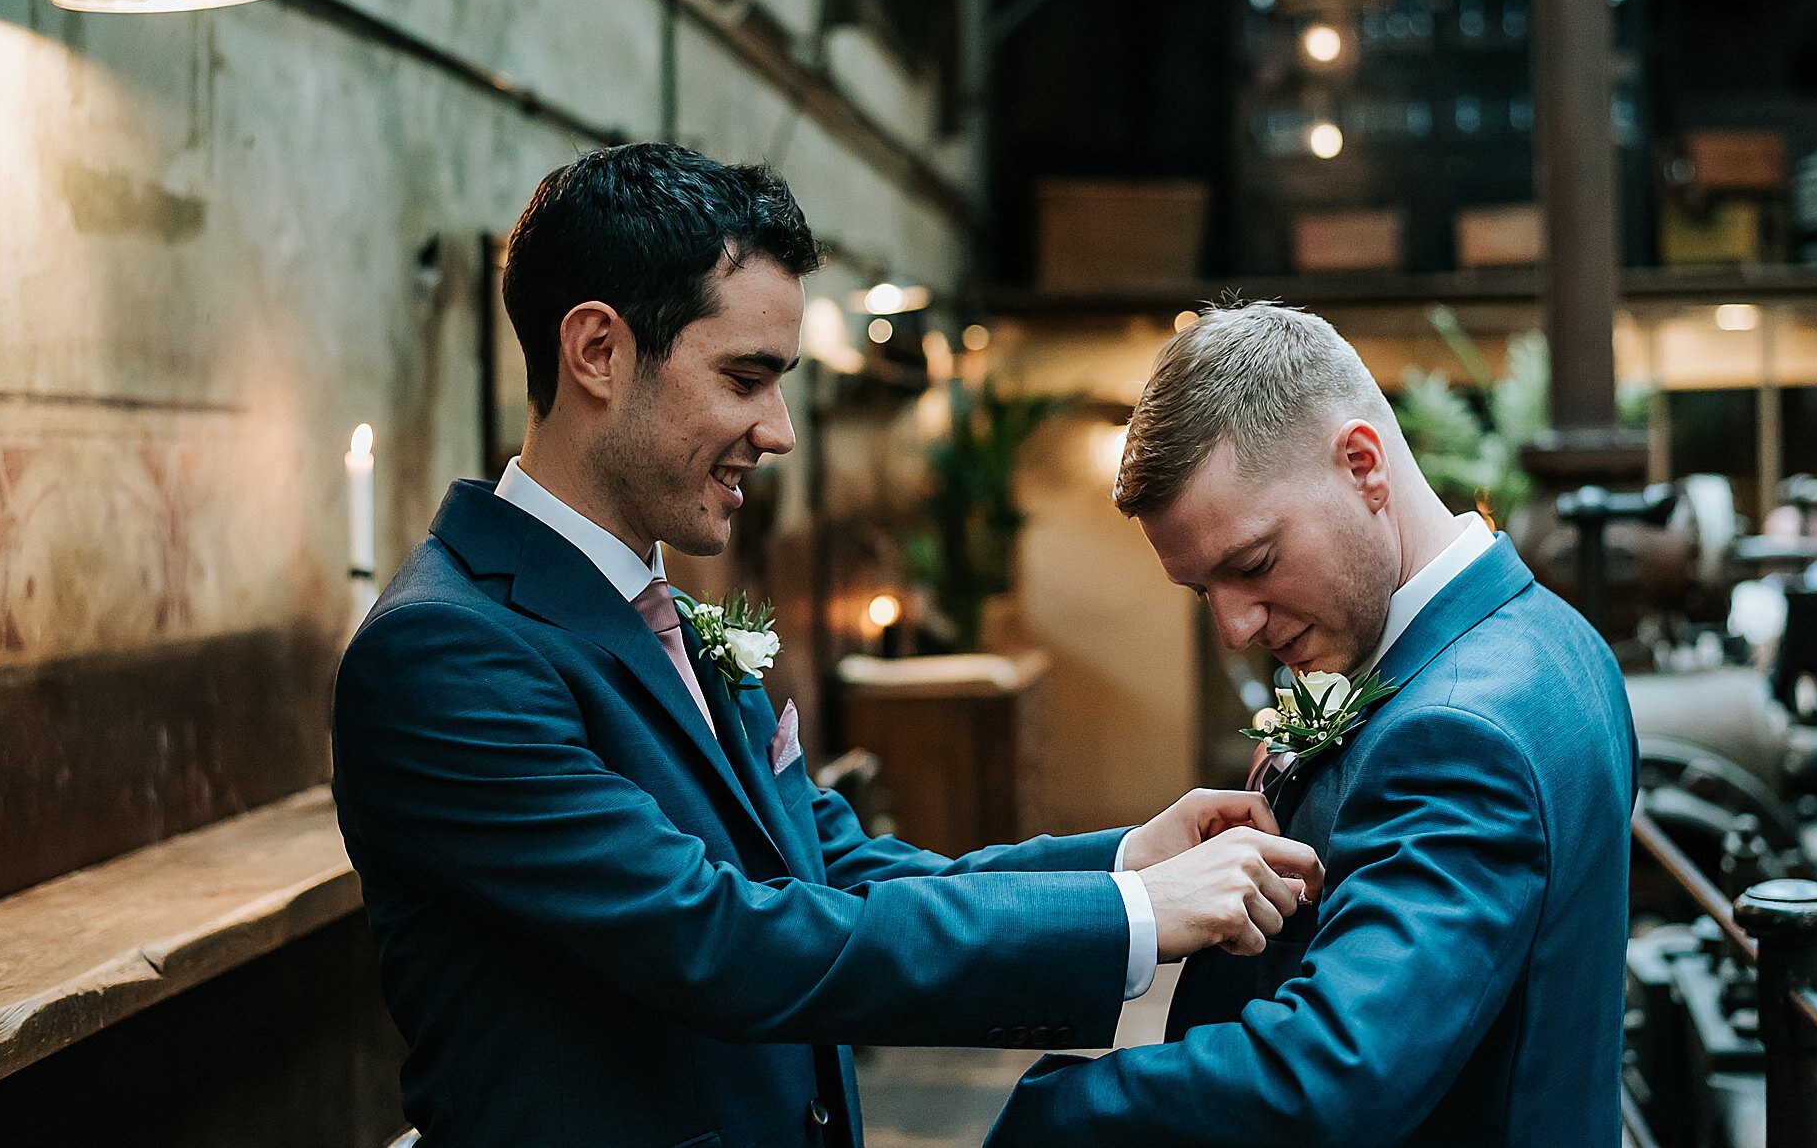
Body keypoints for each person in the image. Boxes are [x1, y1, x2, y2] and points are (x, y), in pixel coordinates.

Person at [330, 145, 1322, 1148]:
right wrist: (1135, 918)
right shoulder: (446, 651)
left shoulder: (654, 604)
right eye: (745, 376)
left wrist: (1117, 862)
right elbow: (719, 939)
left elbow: (830, 868)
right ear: (597, 350)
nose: (778, 430)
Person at [986, 300, 1637, 1147]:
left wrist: (1059, 1113)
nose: (1234, 627)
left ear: (1364, 464)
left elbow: (1334, 1071)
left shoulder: (1457, 733)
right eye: (1202, 592)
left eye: (1252, 564)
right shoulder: (1555, 637)